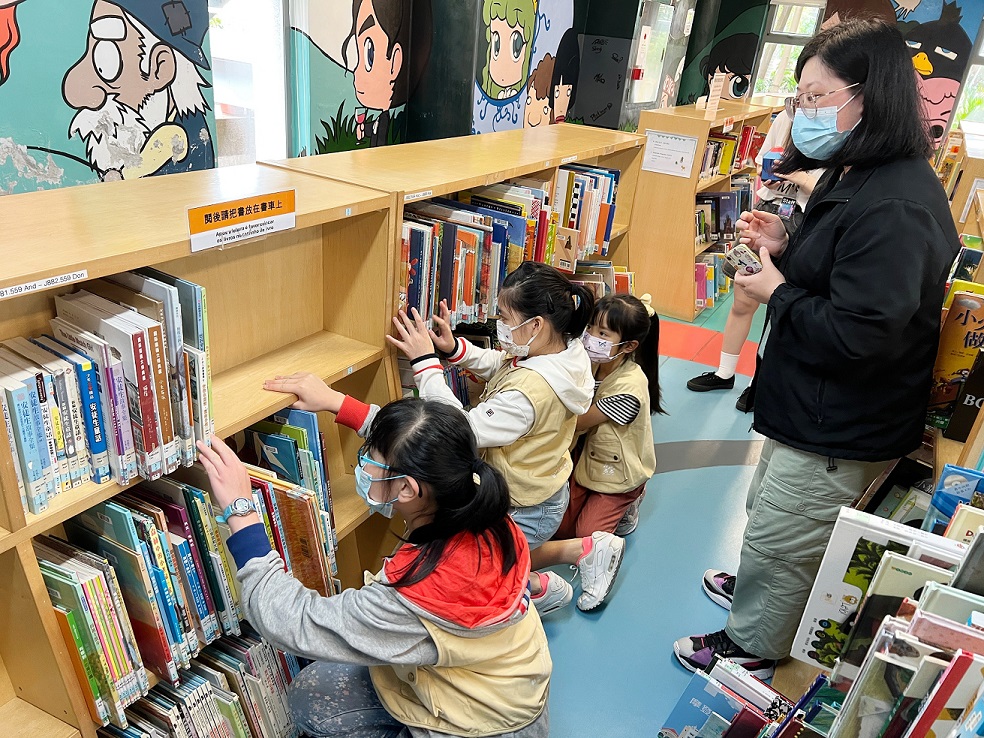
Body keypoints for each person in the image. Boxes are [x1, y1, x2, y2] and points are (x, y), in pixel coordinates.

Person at [673, 19, 961, 680]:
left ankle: (753, 646)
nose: (802, 111)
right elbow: (843, 267)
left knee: (786, 533)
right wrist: (789, 241)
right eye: (798, 97)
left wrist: (776, 291)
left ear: (868, 94)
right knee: (771, 511)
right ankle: (761, 589)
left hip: (841, 418)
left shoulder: (896, 205)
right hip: (810, 401)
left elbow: (861, 333)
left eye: (814, 96)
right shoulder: (864, 172)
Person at [198, 395, 551, 738]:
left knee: (313, 697)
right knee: (314, 689)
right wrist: (338, 403)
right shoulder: (479, 506)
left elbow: (292, 621)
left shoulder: (414, 595)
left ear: (408, 489)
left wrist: (241, 512)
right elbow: (414, 447)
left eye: (369, 456)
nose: (363, 465)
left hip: (482, 726)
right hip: (511, 691)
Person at [388, 262, 615, 615]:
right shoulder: (561, 353)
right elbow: (504, 364)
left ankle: (535, 591)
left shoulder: (528, 395)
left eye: (505, 318)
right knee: (493, 556)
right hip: (539, 488)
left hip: (527, 505)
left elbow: (461, 429)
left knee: (483, 569)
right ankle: (546, 579)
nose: (500, 326)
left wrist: (425, 365)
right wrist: (456, 350)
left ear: (536, 325)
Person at [532, 294, 662, 609]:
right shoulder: (592, 362)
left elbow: (578, 421)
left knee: (586, 533)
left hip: (616, 471)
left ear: (628, 346)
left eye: (602, 333)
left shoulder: (629, 388)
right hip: (586, 459)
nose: (590, 337)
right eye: (590, 327)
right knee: (558, 528)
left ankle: (631, 498)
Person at [687, 111, 822, 412]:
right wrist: (772, 174)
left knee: (780, 308)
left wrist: (799, 178)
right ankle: (724, 372)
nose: (800, 102)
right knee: (742, 300)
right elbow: (764, 163)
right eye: (798, 95)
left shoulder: (839, 130)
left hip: (805, 218)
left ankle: (759, 382)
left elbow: (832, 195)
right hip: (769, 208)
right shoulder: (786, 117)